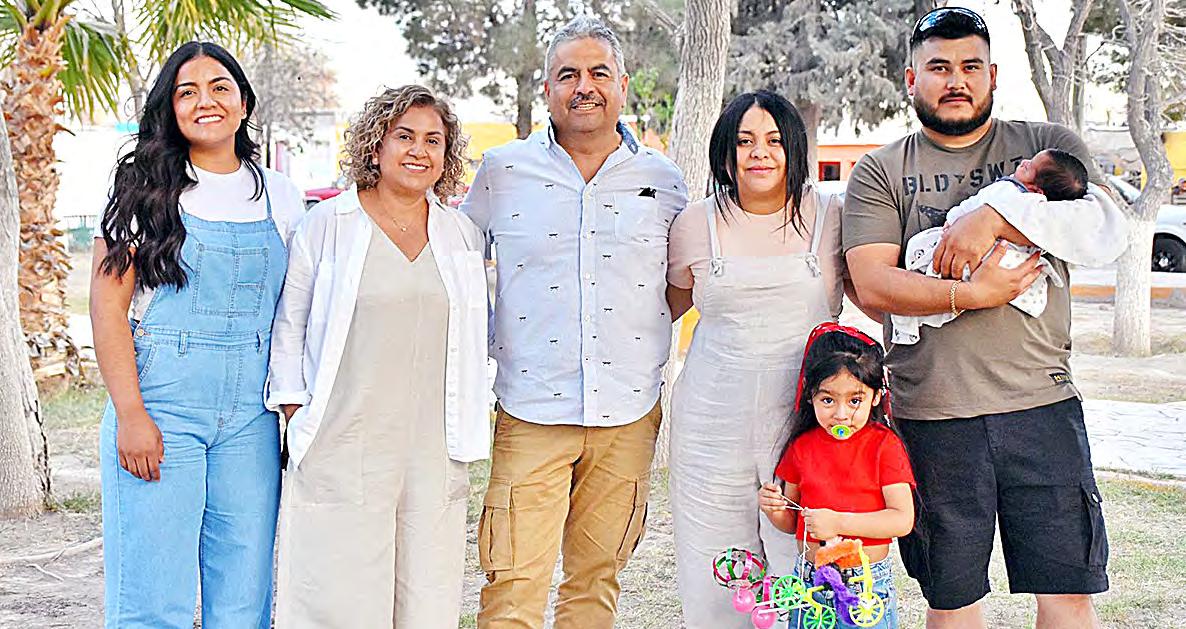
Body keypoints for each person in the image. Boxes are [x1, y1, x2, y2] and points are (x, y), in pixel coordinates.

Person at [843, 7, 1125, 628]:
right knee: (952, 600)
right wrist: (973, 294)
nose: (956, 80)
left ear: (993, 75)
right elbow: (871, 282)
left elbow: (1103, 228)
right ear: (911, 78)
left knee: (1068, 595)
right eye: (939, 67)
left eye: (971, 66)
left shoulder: (1046, 148)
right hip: (933, 416)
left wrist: (992, 218)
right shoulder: (880, 171)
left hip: (1042, 405)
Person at [460, 16, 687, 629]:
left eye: (598, 73)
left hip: (628, 415)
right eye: (568, 75)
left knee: (595, 585)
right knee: (512, 588)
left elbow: (679, 284)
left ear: (623, 85)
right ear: (547, 90)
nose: (584, 87)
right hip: (530, 410)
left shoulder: (664, 180)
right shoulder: (502, 171)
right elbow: (454, 267)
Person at [91, 41, 305, 628]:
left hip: (251, 419)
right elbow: (107, 311)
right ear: (170, 108)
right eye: (187, 92)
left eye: (219, 88)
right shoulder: (141, 190)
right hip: (161, 407)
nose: (204, 101)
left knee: (244, 595)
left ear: (244, 102)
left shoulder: (281, 195)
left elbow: (298, 312)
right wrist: (131, 415)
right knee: (152, 595)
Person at [267, 85, 489, 628]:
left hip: (432, 444)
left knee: (425, 589)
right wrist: (297, 410)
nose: (419, 150)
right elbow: (290, 324)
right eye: (404, 136)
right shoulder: (328, 225)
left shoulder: (461, 234)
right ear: (375, 145)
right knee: (338, 590)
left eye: (433, 140)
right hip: (344, 438)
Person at [664, 90, 853, 628]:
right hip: (709, 423)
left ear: (794, 149)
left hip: (805, 423)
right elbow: (666, 308)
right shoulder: (695, 223)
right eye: (745, 141)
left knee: (805, 564)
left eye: (773, 140)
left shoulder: (831, 216)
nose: (759, 153)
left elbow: (873, 296)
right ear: (726, 155)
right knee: (716, 565)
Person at [758, 323, 915, 629]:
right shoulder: (802, 447)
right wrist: (775, 510)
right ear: (810, 396)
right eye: (828, 400)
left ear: (875, 396)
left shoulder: (885, 446)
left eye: (855, 400)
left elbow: (902, 519)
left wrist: (839, 522)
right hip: (810, 583)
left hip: (864, 586)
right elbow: (792, 523)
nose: (841, 414)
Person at [890, 148, 1121, 345]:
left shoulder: (1008, 192)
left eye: (1030, 167)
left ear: (1037, 190)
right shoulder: (1038, 207)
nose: (1024, 162)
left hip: (983, 257)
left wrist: (958, 220)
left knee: (920, 249)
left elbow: (970, 208)